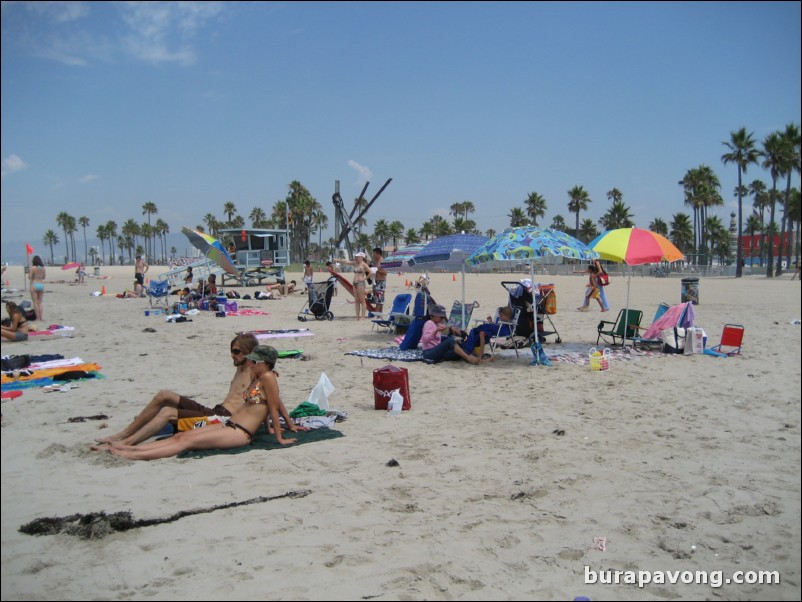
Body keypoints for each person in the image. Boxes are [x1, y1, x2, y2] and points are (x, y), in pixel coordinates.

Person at [100, 345, 300, 460]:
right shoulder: (257, 377)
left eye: (254, 361)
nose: (250, 363)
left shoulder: (268, 378)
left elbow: (273, 408)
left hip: (240, 433)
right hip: (228, 424)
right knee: (183, 436)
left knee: (187, 441)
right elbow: (258, 407)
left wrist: (280, 436)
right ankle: (131, 448)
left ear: (265, 364)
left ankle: (131, 455)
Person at [95, 335, 262, 446]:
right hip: (215, 410)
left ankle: (126, 444)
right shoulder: (240, 367)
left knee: (168, 412)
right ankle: (122, 435)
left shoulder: (254, 372)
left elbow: (265, 397)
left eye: (236, 352)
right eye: (231, 351)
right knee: (164, 395)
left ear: (248, 353)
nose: (232, 355)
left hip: (223, 419)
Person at [339, 252, 370, 320]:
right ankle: (357, 317)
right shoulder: (355, 263)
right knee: (357, 301)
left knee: (362, 301)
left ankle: (362, 317)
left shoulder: (364, 265)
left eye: (357, 257)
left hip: (360, 283)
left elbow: (370, 272)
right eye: (356, 257)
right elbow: (346, 262)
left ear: (361, 257)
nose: (356, 258)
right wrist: (338, 260)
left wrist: (364, 278)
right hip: (354, 283)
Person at [370, 247, 388, 314]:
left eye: (374, 255)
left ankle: (377, 314)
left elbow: (385, 272)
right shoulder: (376, 261)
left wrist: (377, 270)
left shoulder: (382, 261)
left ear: (378, 254)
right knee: (378, 299)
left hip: (381, 282)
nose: (373, 256)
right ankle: (379, 313)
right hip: (376, 282)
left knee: (379, 299)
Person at [29, 255, 46, 322]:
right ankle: (41, 317)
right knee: (40, 302)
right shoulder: (43, 268)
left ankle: (38, 318)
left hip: (35, 284)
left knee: (35, 302)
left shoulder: (33, 268)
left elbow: (30, 277)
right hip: (41, 284)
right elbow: (44, 277)